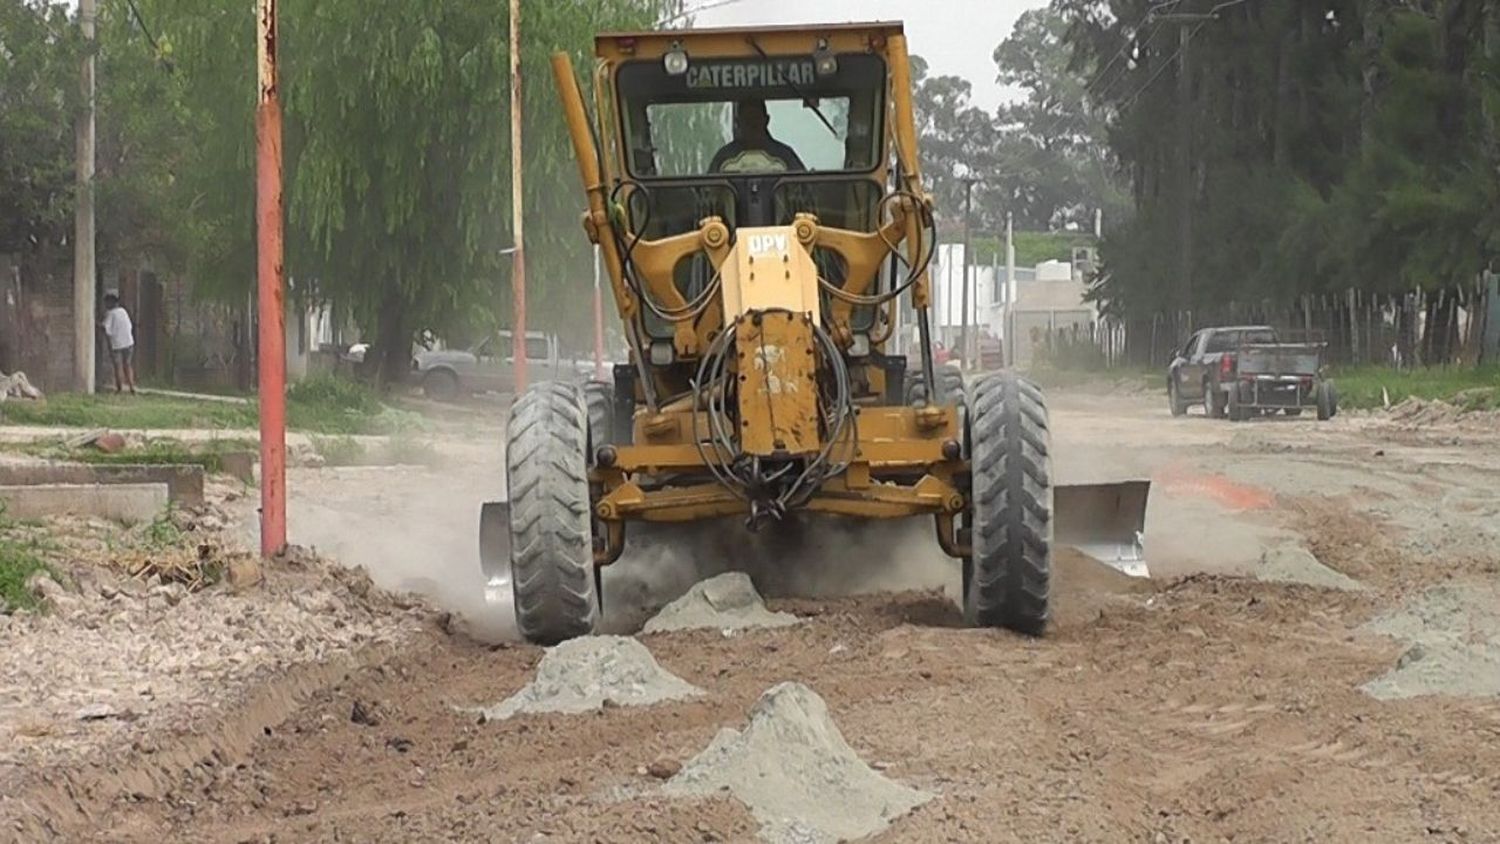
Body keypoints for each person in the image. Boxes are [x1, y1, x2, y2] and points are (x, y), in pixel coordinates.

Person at [709, 99, 806, 174]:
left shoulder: (785, 157)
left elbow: (805, 191)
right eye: (747, 120)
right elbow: (707, 194)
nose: (752, 124)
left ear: (766, 120)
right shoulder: (724, 158)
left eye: (756, 119)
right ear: (738, 123)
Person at [101, 292, 136, 395]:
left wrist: (96, 324)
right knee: (128, 365)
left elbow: (106, 328)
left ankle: (119, 388)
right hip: (129, 342)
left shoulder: (110, 314)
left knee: (118, 366)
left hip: (117, 344)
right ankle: (132, 387)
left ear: (110, 302)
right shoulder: (123, 311)